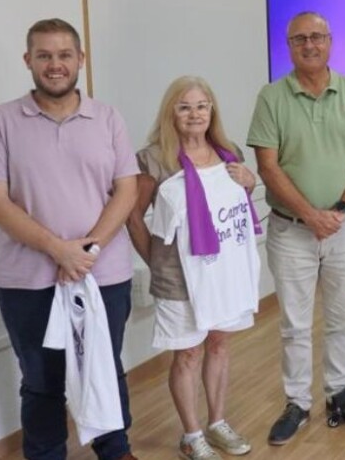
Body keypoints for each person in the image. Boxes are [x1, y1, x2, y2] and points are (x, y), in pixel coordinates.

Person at [0, 18, 140, 460]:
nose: (55, 64)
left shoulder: (107, 118)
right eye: (44, 55)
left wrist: (89, 249)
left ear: (80, 60)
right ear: (28, 60)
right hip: (28, 280)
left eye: (64, 55)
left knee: (106, 369)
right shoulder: (2, 121)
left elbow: (127, 189)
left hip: (103, 273)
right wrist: (58, 250)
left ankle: (116, 450)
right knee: (42, 381)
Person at [247, 11, 345, 445]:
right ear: (289, 46)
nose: (309, 44)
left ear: (329, 41)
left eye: (317, 37)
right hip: (292, 232)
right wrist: (309, 213)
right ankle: (298, 403)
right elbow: (267, 166)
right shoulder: (271, 97)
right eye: (300, 38)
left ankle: (339, 394)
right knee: (294, 323)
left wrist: (340, 209)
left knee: (343, 317)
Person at [126, 76, 260, 460]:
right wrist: (154, 260)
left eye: (202, 106)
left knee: (218, 345)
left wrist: (249, 182)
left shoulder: (229, 152)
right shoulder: (154, 158)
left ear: (211, 110)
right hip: (178, 277)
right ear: (171, 112)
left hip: (223, 270)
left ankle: (217, 422)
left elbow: (233, 204)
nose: (194, 114)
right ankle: (191, 434)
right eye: (184, 107)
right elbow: (134, 216)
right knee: (186, 354)